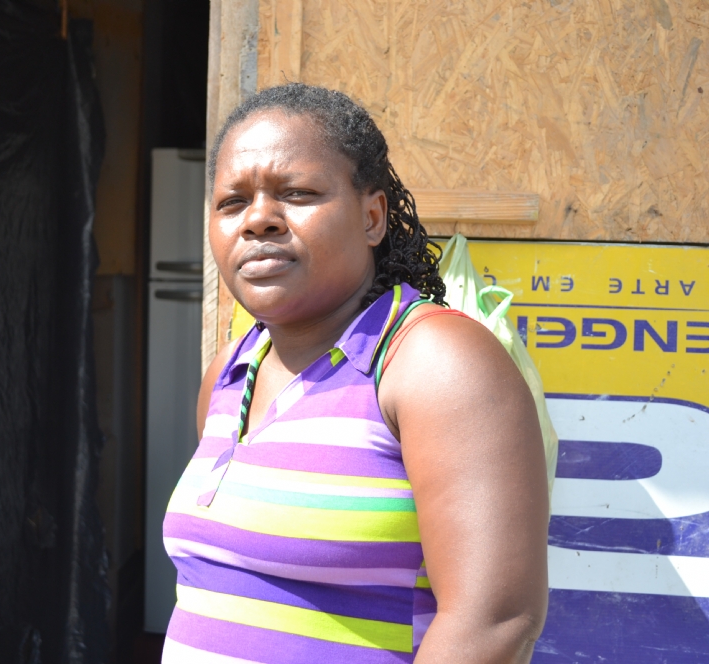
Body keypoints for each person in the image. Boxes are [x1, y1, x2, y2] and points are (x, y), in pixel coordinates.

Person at [160, 83, 549, 663]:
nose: (258, 219)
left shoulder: (433, 363)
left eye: (297, 193)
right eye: (232, 203)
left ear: (372, 217)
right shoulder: (229, 372)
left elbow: (494, 620)